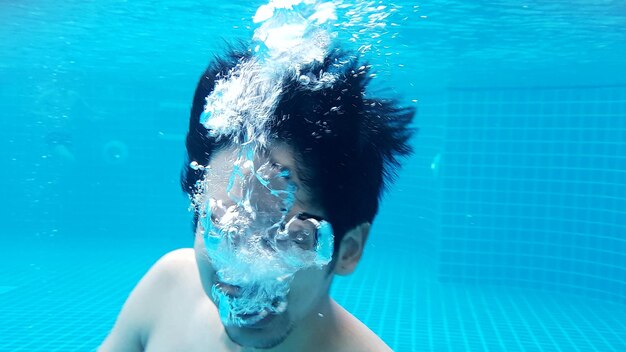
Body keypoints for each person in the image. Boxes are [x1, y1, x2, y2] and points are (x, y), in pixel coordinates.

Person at [99, 43, 415, 351]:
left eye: (282, 239)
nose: (242, 272)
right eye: (225, 230)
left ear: (348, 250)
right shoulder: (168, 290)